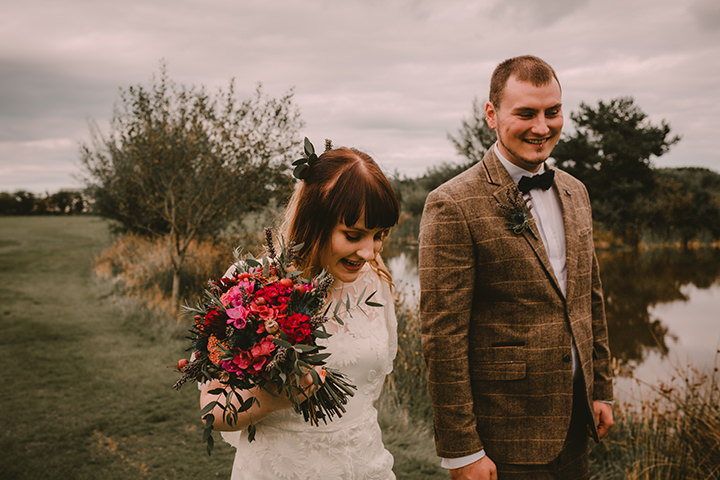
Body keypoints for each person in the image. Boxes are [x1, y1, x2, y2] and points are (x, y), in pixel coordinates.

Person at [418, 55, 614, 480]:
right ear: (492, 115)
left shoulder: (576, 192)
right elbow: (442, 336)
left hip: (576, 422)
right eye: (526, 113)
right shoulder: (452, 204)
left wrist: (602, 390)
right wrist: (461, 451)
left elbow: (588, 297)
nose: (542, 127)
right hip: (502, 436)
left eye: (553, 112)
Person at [199, 140, 401, 480]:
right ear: (313, 223)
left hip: (366, 465)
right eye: (353, 235)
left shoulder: (374, 283)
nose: (369, 252)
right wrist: (273, 398)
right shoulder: (251, 286)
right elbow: (211, 410)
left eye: (378, 235)